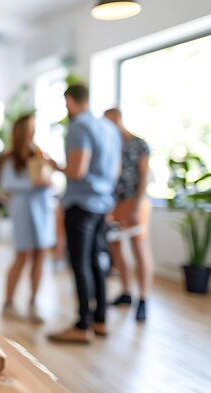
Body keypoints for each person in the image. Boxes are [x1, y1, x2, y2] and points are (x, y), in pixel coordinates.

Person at [48, 84, 121, 344]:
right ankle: (100, 319)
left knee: (79, 263)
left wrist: (55, 166)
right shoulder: (109, 128)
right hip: (102, 203)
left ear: (69, 100)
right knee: (96, 261)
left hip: (81, 204)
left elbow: (77, 171)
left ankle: (82, 325)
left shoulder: (79, 127)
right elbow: (115, 170)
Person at [0, 114, 55, 323]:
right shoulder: (10, 157)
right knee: (23, 255)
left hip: (42, 209)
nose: (34, 130)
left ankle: (33, 302)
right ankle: (9, 302)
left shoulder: (39, 153)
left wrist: (47, 179)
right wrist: (34, 184)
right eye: (31, 126)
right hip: (23, 210)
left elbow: (47, 176)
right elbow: (6, 185)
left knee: (40, 254)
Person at [104, 107, 153, 321]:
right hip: (116, 204)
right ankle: (126, 292)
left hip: (135, 203)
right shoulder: (112, 146)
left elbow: (143, 177)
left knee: (138, 247)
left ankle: (143, 298)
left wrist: (136, 204)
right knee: (116, 247)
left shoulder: (139, 144)